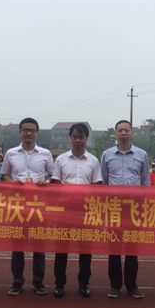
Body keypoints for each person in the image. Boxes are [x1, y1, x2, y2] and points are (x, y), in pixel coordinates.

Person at [1, 118, 54, 296]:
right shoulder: (11, 153)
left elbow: (52, 176)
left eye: (32, 130)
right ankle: (17, 280)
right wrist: (13, 183)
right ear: (20, 132)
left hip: (39, 206)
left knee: (39, 246)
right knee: (18, 246)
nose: (29, 133)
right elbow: (4, 174)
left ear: (37, 133)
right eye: (25, 130)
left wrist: (46, 181)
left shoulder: (45, 153)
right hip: (18, 205)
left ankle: (38, 281)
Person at [51, 123, 103, 298]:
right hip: (65, 210)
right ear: (70, 138)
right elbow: (56, 184)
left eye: (81, 137)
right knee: (61, 248)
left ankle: (84, 282)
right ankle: (59, 283)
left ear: (86, 139)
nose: (78, 140)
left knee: (85, 249)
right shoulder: (61, 160)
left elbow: (97, 186)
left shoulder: (93, 161)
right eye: (75, 137)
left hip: (85, 211)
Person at [101, 120, 150, 299]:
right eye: (120, 130)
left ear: (131, 133)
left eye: (126, 130)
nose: (123, 133)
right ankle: (115, 285)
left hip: (134, 209)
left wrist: (144, 206)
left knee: (132, 249)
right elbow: (103, 181)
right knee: (114, 248)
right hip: (113, 208)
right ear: (115, 133)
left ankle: (131, 285)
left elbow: (145, 181)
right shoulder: (107, 155)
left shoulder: (141, 154)